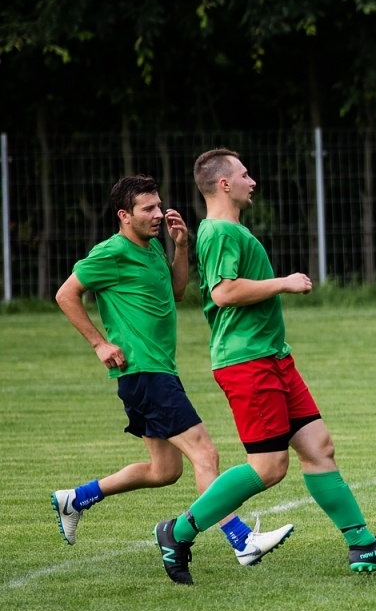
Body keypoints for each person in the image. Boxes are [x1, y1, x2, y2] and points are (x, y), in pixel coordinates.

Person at [151, 149, 376, 584]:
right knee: (269, 467)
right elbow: (222, 292)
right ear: (223, 184)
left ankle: (362, 544)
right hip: (247, 362)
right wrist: (285, 283)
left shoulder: (229, 229)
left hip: (273, 357)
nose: (251, 181)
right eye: (244, 174)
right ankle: (178, 531)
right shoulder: (219, 231)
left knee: (319, 447)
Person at [51, 175, 293, 566]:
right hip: (144, 373)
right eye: (148, 209)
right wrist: (100, 343)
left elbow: (177, 292)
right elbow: (66, 294)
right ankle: (241, 540)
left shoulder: (150, 251)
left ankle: (75, 499)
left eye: (158, 206)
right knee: (205, 454)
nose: (159, 214)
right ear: (124, 216)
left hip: (158, 372)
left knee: (165, 470)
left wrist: (181, 248)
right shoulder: (111, 252)